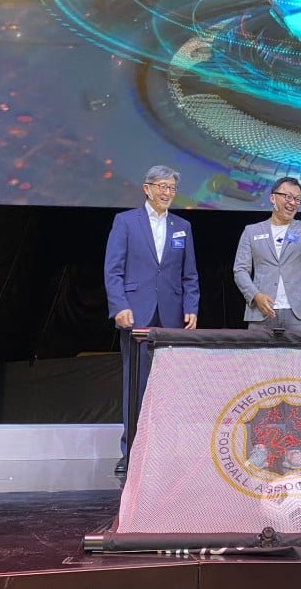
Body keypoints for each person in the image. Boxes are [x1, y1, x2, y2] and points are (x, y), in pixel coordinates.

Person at [103, 165, 200, 476]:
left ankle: (167, 450)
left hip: (172, 316)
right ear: (146, 189)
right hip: (136, 313)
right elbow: (113, 269)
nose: (167, 193)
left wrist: (191, 306)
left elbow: (190, 275)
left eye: (171, 187)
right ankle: (130, 451)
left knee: (171, 386)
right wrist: (119, 305)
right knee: (136, 384)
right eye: (161, 186)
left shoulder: (182, 226)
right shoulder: (125, 222)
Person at [233, 176, 301, 330]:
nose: (292, 203)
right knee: (258, 354)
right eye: (287, 197)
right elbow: (240, 270)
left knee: (299, 355)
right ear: (272, 198)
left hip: (297, 312)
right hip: (262, 310)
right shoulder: (252, 231)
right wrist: (255, 296)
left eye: (297, 199)